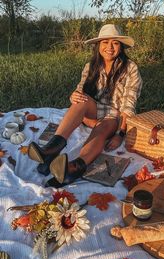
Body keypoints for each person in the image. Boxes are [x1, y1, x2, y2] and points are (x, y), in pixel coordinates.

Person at [28, 24, 143, 188]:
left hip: (114, 115)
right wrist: (74, 95)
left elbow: (128, 106)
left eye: (115, 43)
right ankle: (50, 150)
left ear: (121, 46)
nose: (109, 47)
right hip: (94, 110)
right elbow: (81, 89)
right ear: (98, 45)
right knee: (80, 99)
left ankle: (72, 170)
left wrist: (120, 133)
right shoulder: (91, 66)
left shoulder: (130, 68)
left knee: (102, 129)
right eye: (105, 42)